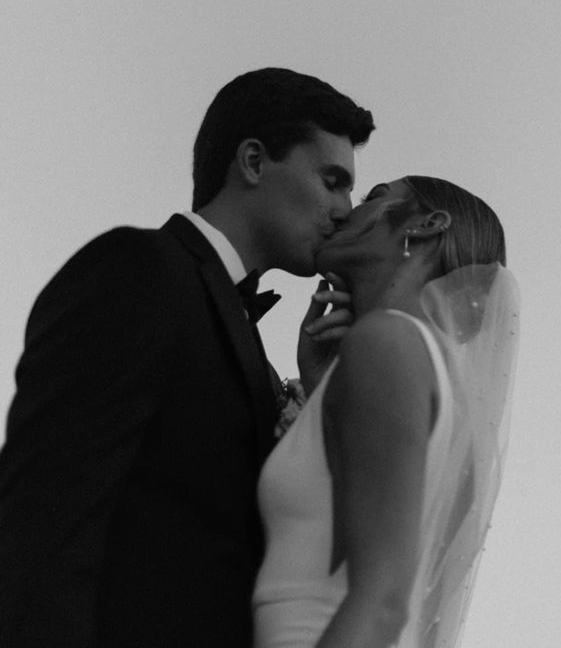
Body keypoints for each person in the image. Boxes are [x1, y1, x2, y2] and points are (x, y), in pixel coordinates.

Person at [0, 67, 375, 648]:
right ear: (252, 162)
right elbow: (43, 519)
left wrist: (317, 390)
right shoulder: (137, 270)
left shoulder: (247, 341)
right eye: (331, 180)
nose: (346, 209)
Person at [253, 176, 520, 648]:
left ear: (425, 226)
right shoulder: (431, 381)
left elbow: (383, 604)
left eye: (374, 198)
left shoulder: (386, 343)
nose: (345, 211)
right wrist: (322, 391)